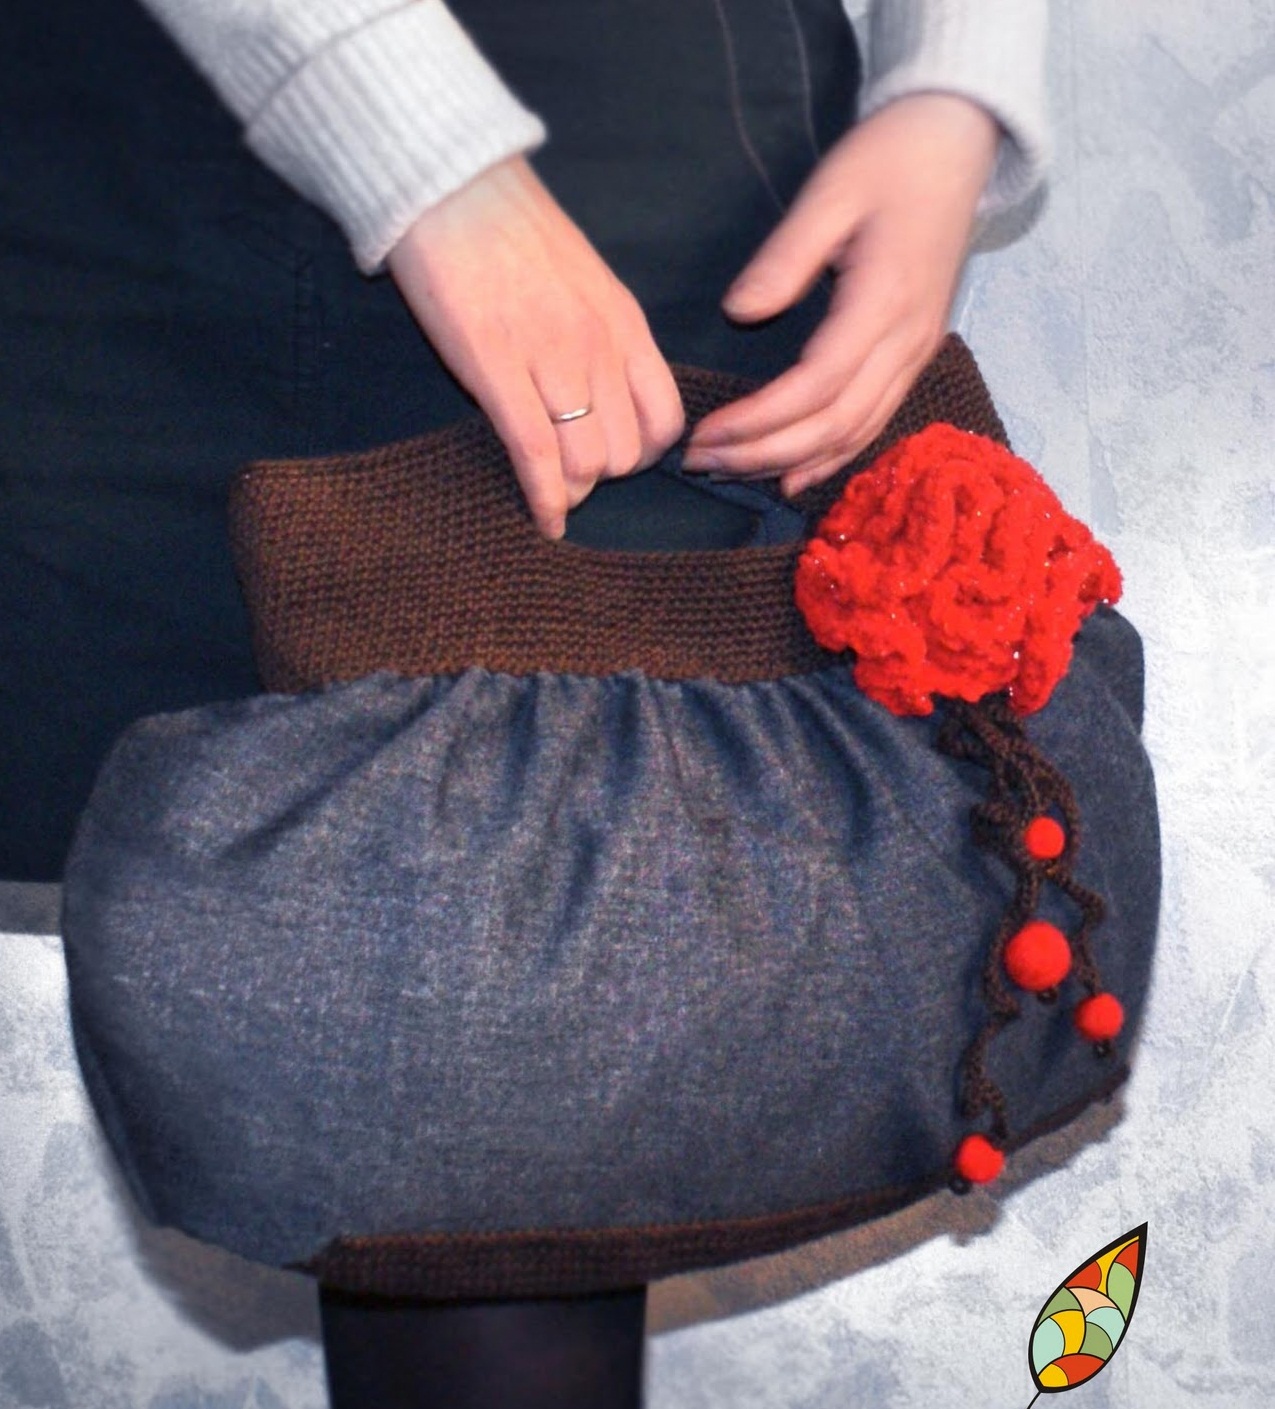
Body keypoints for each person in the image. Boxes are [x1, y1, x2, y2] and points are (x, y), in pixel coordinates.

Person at [1, 1, 1050, 1404]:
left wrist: (955, 82)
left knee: (516, 1096)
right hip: (138, 156)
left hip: (638, 152)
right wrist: (419, 151)